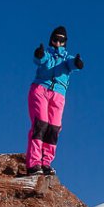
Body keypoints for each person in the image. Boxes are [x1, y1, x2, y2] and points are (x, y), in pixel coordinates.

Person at [27, 26, 84, 175]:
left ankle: (46, 162)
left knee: (54, 128)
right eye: (55, 40)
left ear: (65, 42)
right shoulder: (48, 55)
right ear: (51, 40)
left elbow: (73, 64)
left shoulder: (66, 59)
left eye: (61, 40)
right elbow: (39, 59)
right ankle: (34, 162)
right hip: (41, 89)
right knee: (41, 124)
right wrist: (39, 54)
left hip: (58, 95)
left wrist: (78, 62)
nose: (58, 43)